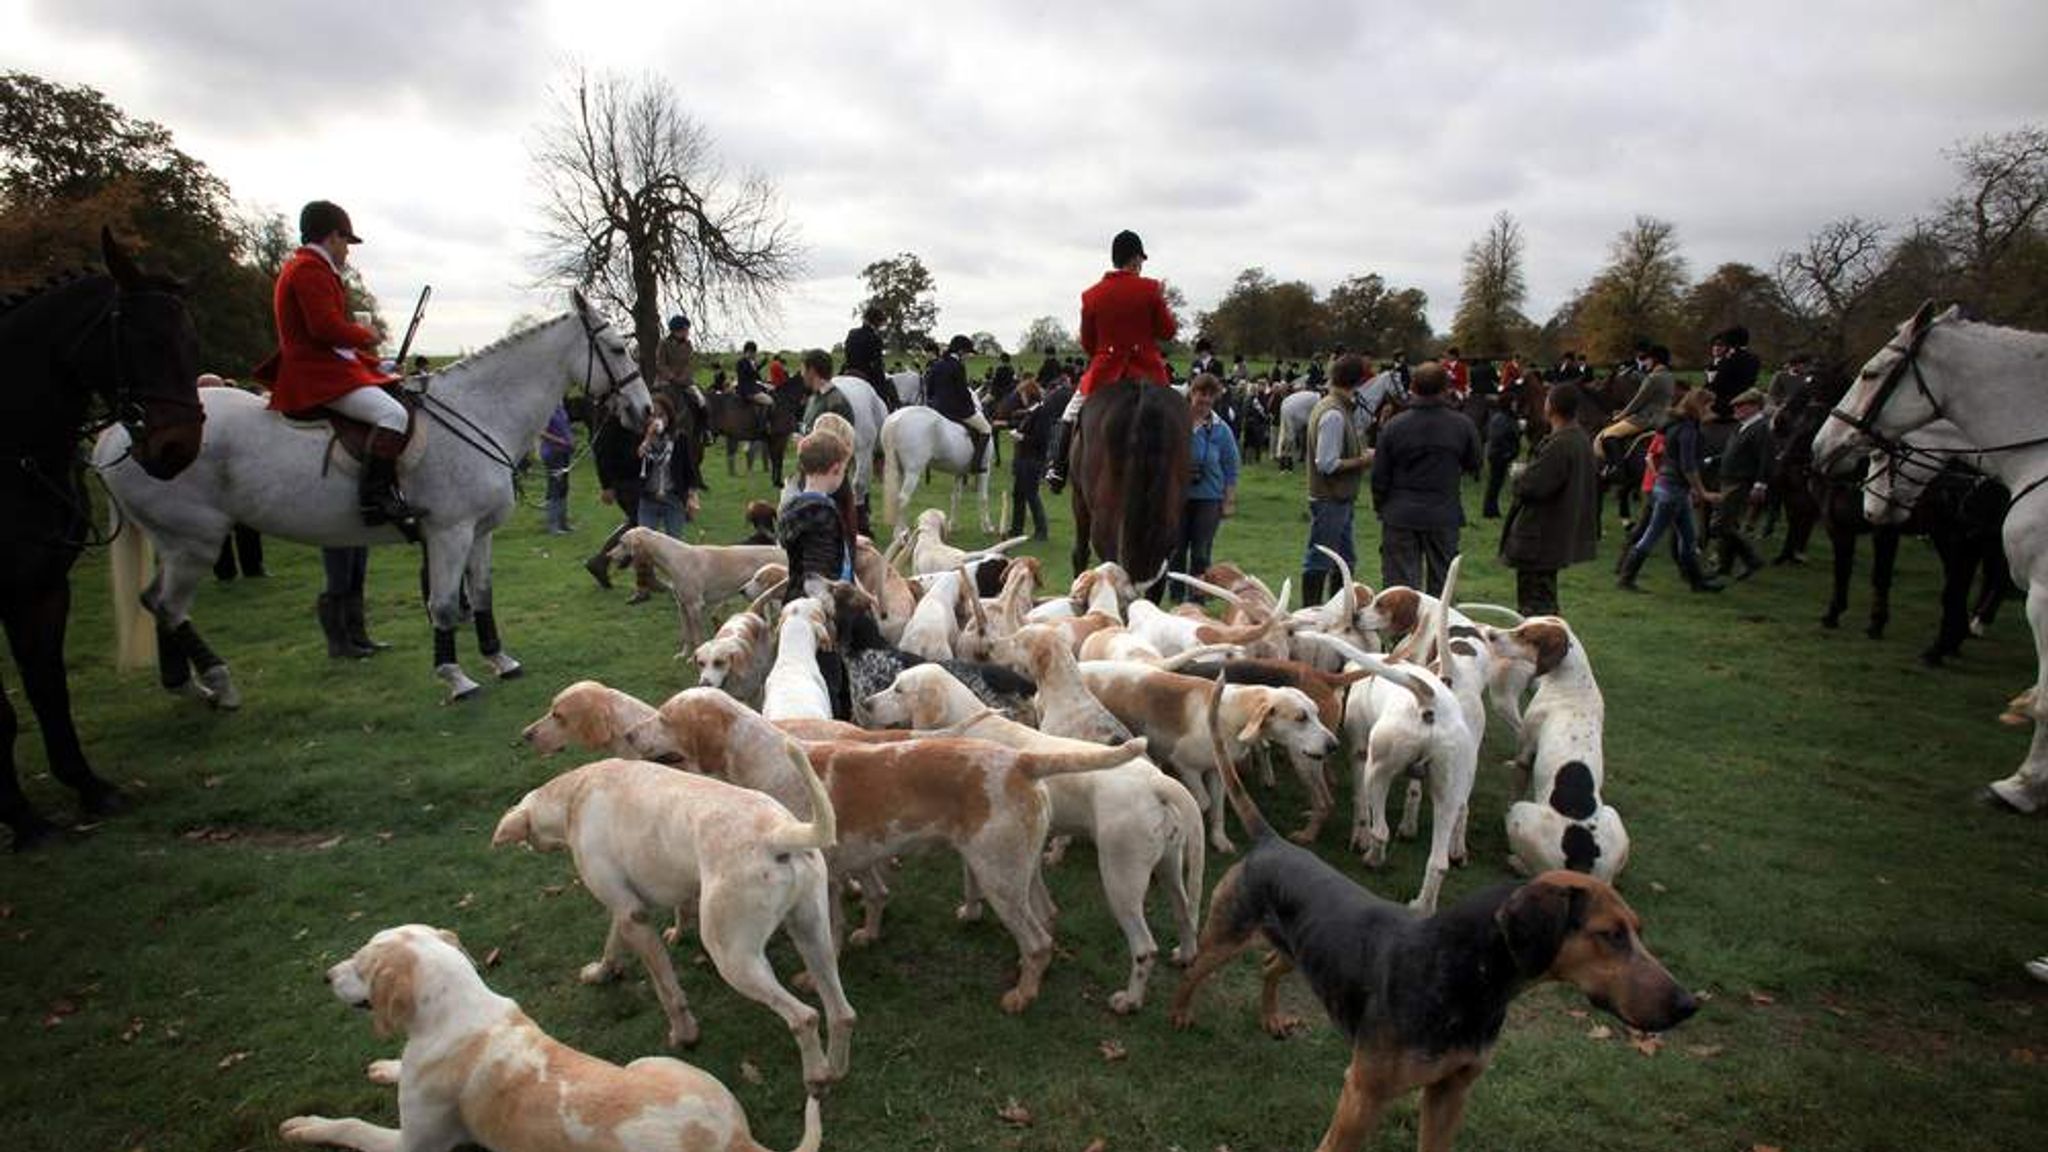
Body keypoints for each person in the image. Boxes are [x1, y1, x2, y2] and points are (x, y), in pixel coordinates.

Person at [255, 200, 424, 534]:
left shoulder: (308, 268)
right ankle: (375, 496)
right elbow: (325, 329)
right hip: (317, 375)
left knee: (396, 395)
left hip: (328, 368)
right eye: (346, 242)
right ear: (333, 237)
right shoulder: (308, 269)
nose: (348, 250)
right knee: (394, 416)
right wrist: (367, 334)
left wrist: (382, 367)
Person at [1044, 229, 1176, 493]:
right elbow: (1168, 331)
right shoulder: (1151, 289)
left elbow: (1088, 344)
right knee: (1176, 414)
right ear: (1136, 259)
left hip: (1105, 374)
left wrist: (1107, 353)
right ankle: (1186, 468)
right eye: (1141, 261)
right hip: (1148, 373)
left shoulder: (1091, 295)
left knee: (1070, 413)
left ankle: (1057, 469)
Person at [1372, 362, 1481, 595]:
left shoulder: (1394, 426)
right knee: (1441, 587)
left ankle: (1402, 632)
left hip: (1400, 512)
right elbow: (1475, 464)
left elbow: (1379, 477)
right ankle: (1437, 631)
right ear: (1446, 388)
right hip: (1443, 511)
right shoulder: (1463, 425)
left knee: (1400, 588)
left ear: (1412, 387)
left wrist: (1382, 506)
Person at [1499, 383, 1599, 616]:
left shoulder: (1561, 443)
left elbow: (1531, 486)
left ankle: (1545, 650)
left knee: (1536, 609)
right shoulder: (1579, 438)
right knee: (1543, 601)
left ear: (1551, 407)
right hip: (1554, 533)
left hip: (1542, 537)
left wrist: (1519, 474)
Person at [1618, 387, 1724, 593]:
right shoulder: (1688, 431)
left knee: (1688, 538)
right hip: (1673, 490)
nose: (1712, 409)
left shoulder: (1676, 426)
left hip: (1667, 486)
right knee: (1652, 536)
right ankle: (1626, 578)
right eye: (1709, 405)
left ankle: (1697, 582)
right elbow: (1688, 466)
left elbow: (1667, 458)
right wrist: (1702, 491)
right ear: (1699, 406)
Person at [1300, 354, 1376, 606]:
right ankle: (1310, 612)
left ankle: (1335, 612)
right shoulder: (1334, 413)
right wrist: (1363, 460)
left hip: (1338, 498)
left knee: (1346, 560)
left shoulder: (1336, 407)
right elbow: (1327, 463)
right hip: (1329, 498)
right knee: (1320, 559)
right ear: (1358, 382)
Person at [1174, 374, 1240, 602]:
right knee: (1177, 549)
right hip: (1178, 497)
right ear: (1192, 394)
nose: (1204, 403)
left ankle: (1197, 598)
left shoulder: (1221, 430)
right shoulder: (1177, 422)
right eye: (1201, 397)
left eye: (1210, 399)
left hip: (1209, 498)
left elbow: (1231, 467)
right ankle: (1175, 596)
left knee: (1201, 552)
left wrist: (1229, 500)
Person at [1708, 388, 1770, 581]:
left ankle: (1752, 559)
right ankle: (1724, 567)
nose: (1736, 410)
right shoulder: (1741, 426)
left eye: (1740, 406)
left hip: (1741, 482)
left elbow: (1766, 459)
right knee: (1726, 524)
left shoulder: (1761, 428)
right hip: (1727, 479)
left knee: (1720, 525)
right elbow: (1733, 452)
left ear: (1754, 407)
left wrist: (1760, 484)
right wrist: (1712, 460)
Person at [635, 394, 704, 552]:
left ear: (669, 417)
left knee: (674, 548)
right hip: (648, 499)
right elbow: (638, 457)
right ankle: (646, 575)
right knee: (644, 547)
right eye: (653, 416)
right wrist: (649, 437)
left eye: (661, 416)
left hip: (673, 499)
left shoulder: (679, 438)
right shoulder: (642, 438)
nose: (657, 420)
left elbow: (689, 469)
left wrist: (692, 496)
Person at [926, 334, 994, 473]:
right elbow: (963, 392)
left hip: (937, 408)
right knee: (986, 428)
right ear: (961, 351)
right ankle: (976, 464)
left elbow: (929, 388)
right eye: (968, 353)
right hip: (956, 410)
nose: (968, 356)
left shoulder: (937, 364)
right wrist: (972, 409)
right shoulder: (958, 366)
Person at [1595, 344, 1675, 458]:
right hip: (1663, 417)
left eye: (1647, 359)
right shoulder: (1669, 376)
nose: (1645, 362)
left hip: (1647, 419)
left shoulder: (1653, 378)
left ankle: (1617, 468)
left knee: (1605, 436)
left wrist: (1621, 415)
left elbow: (1638, 401)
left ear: (1655, 359)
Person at [1008, 375, 1055, 540]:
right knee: (1018, 495)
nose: (1021, 398)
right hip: (1023, 459)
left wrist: (1020, 437)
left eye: (1022, 394)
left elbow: (1041, 439)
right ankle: (1016, 529)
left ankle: (1042, 531)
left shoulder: (1041, 413)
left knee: (1032, 495)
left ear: (1029, 394)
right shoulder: (1031, 412)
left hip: (1032, 460)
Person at [843, 305, 898, 409]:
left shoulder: (852, 333)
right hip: (866, 374)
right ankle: (890, 409)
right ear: (877, 322)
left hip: (848, 370)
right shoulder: (875, 338)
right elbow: (876, 364)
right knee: (887, 390)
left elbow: (848, 353)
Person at [1706, 326, 1761, 420]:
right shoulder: (1754, 359)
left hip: (1725, 403)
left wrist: (1709, 382)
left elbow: (1717, 385)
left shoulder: (1730, 360)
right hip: (1745, 397)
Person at [798, 349, 855, 433]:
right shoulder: (813, 398)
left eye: (803, 370)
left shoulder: (836, 403)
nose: (801, 375)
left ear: (811, 371)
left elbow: (837, 441)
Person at [1482, 392, 1520, 518]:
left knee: (1497, 483)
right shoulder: (1502, 418)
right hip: (1499, 455)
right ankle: (1489, 510)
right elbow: (1499, 437)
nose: (1515, 404)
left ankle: (1492, 509)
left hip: (1501, 454)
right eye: (1513, 402)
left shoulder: (1505, 417)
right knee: (1495, 483)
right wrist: (1507, 451)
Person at [539, 401, 575, 535]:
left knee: (564, 486)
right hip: (552, 452)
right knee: (555, 486)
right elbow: (541, 431)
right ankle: (553, 525)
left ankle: (563, 523)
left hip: (564, 452)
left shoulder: (560, 407)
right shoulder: (546, 409)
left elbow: (564, 427)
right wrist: (559, 440)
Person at [655, 314, 697, 411]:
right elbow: (660, 364)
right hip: (666, 382)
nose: (687, 332)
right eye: (685, 329)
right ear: (676, 330)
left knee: (700, 400)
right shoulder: (664, 344)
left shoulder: (688, 345)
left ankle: (702, 424)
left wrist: (684, 377)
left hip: (685, 382)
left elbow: (689, 364)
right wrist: (672, 377)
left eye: (687, 329)